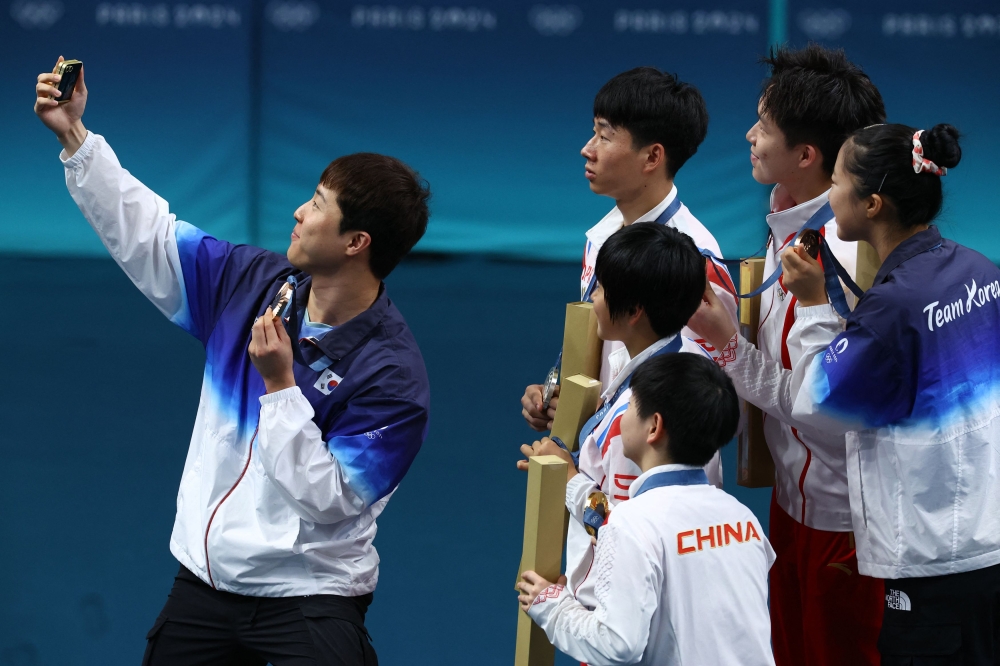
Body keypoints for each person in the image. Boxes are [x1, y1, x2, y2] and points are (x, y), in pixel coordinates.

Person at [35, 57, 430, 665]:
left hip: (310, 592)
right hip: (206, 582)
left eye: (319, 204)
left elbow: (327, 502)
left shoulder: (392, 377)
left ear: (356, 243)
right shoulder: (253, 280)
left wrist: (279, 388)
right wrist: (76, 139)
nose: (299, 211)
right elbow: (150, 234)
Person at [690, 122, 1000, 663]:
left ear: (873, 203)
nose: (827, 198)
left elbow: (814, 402)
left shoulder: (891, 310)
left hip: (929, 565)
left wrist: (808, 306)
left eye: (836, 182)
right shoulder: (981, 271)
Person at [733, 44, 887, 665]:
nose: (748, 135)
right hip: (792, 508)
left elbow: (826, 408)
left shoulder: (850, 258)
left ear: (806, 155)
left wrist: (726, 351)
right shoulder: (786, 226)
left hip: (849, 526)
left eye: (763, 127)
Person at [517, 353, 775, 666]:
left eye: (629, 406)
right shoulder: (743, 518)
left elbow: (617, 646)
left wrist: (553, 605)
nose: (620, 416)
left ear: (653, 427)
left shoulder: (630, 524)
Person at [519, 223, 721, 618]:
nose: (592, 299)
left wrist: (570, 480)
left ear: (633, 312)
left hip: (625, 615)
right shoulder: (690, 361)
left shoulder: (644, 418)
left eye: (601, 291)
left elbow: (625, 535)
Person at [520, 66, 737, 433]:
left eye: (604, 136)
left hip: (653, 462)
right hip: (600, 452)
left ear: (652, 157)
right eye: (593, 132)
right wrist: (558, 393)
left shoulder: (696, 261)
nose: (587, 149)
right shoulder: (602, 236)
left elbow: (712, 387)